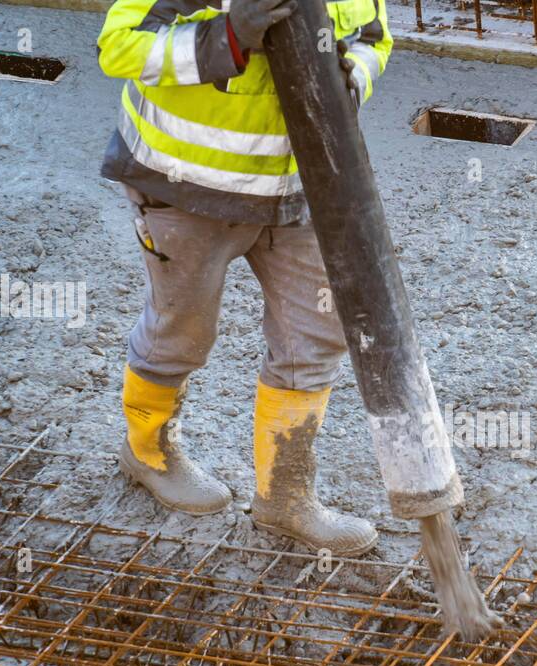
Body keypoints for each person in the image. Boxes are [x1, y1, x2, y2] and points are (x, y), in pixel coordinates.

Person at [96, 0, 392, 555]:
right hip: (185, 189)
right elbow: (119, 45)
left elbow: (374, 38)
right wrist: (226, 36)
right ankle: (148, 452)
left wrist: (347, 79)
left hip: (300, 187)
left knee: (317, 333)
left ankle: (285, 497)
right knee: (181, 330)